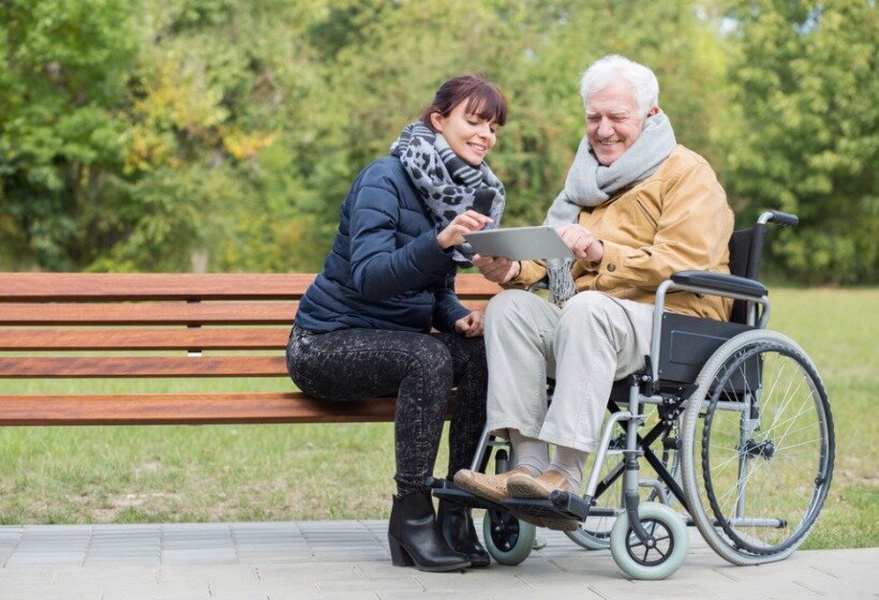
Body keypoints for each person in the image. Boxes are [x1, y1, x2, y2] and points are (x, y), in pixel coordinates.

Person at [454, 55, 734, 530]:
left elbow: (686, 261)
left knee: (586, 308)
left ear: (650, 115)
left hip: (674, 323)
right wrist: (511, 268)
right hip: (596, 322)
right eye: (593, 117)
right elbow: (549, 255)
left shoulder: (687, 172)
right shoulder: (584, 181)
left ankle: (565, 474)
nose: (603, 130)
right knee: (510, 309)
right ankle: (526, 468)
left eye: (617, 118)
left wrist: (602, 251)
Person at [286, 75, 508, 571]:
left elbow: (436, 295)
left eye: (492, 127)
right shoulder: (383, 178)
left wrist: (459, 320)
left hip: (395, 344)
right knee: (426, 356)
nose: (485, 135)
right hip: (325, 343)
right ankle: (412, 515)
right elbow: (368, 278)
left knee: (477, 354)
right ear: (438, 121)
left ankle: (457, 508)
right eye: (473, 121)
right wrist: (440, 242)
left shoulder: (462, 193)